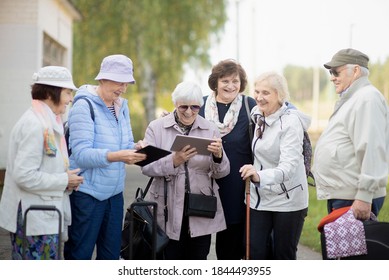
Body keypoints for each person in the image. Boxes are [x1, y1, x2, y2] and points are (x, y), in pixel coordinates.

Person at [64, 54, 146, 260]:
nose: (123, 88)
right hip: (87, 195)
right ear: (103, 79)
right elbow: (81, 155)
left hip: (114, 195)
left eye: (126, 83)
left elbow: (125, 144)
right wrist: (117, 156)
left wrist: (136, 148)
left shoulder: (122, 107)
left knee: (110, 257)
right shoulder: (84, 106)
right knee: (80, 255)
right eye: (119, 82)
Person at [0, 66, 83, 260]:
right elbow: (24, 175)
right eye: (68, 92)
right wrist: (64, 180)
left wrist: (67, 179)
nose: (71, 99)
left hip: (42, 216)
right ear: (49, 92)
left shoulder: (47, 121)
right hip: (34, 218)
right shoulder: (35, 124)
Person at [141, 81, 230, 260]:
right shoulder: (156, 127)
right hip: (166, 207)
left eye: (195, 107)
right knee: (169, 258)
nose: (189, 112)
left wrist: (218, 156)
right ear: (175, 104)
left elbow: (222, 172)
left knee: (198, 258)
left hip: (199, 207)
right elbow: (146, 166)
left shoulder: (210, 128)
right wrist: (174, 161)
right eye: (183, 107)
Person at [239, 71, 310, 260]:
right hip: (259, 198)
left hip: (288, 199)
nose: (259, 98)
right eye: (257, 92)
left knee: (282, 255)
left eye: (266, 93)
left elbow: (288, 167)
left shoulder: (290, 123)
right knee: (254, 252)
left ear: (280, 95)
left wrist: (259, 176)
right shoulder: (256, 114)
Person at [312, 48, 388, 220]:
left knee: (355, 248)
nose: (332, 77)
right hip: (345, 195)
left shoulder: (367, 98)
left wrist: (364, 196)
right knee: (342, 248)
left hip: (355, 198)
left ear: (355, 71)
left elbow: (372, 150)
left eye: (336, 72)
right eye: (331, 72)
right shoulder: (355, 98)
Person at [198, 59, 256, 260]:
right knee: (199, 239)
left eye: (235, 81)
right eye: (225, 81)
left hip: (236, 182)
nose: (230, 86)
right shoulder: (200, 104)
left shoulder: (250, 105)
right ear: (215, 82)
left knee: (231, 243)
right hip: (204, 181)